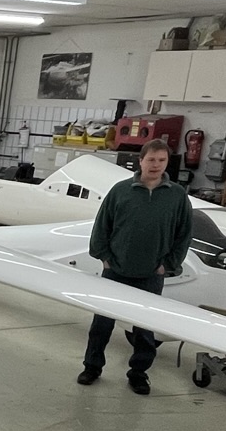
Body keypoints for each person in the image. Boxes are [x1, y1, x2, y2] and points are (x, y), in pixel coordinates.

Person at [77, 137, 194, 395]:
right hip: (115, 271)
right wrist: (105, 257)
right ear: (141, 161)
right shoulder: (120, 191)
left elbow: (184, 234)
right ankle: (92, 367)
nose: (156, 165)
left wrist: (167, 265)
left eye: (161, 160)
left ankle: (139, 373)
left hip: (151, 275)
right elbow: (102, 226)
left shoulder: (177, 196)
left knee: (144, 328)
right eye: (151, 159)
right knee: (101, 325)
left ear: (167, 163)